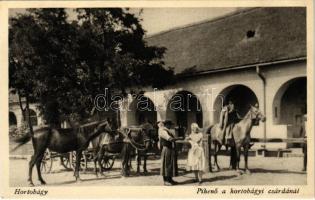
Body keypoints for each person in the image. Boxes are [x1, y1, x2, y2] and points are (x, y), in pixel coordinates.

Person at [159, 120, 179, 186]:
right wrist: (179, 138)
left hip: (170, 149)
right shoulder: (163, 131)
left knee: (171, 164)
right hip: (166, 149)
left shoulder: (168, 130)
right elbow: (170, 139)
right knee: (166, 164)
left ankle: (170, 179)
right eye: (170, 124)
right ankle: (166, 181)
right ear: (167, 124)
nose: (171, 126)